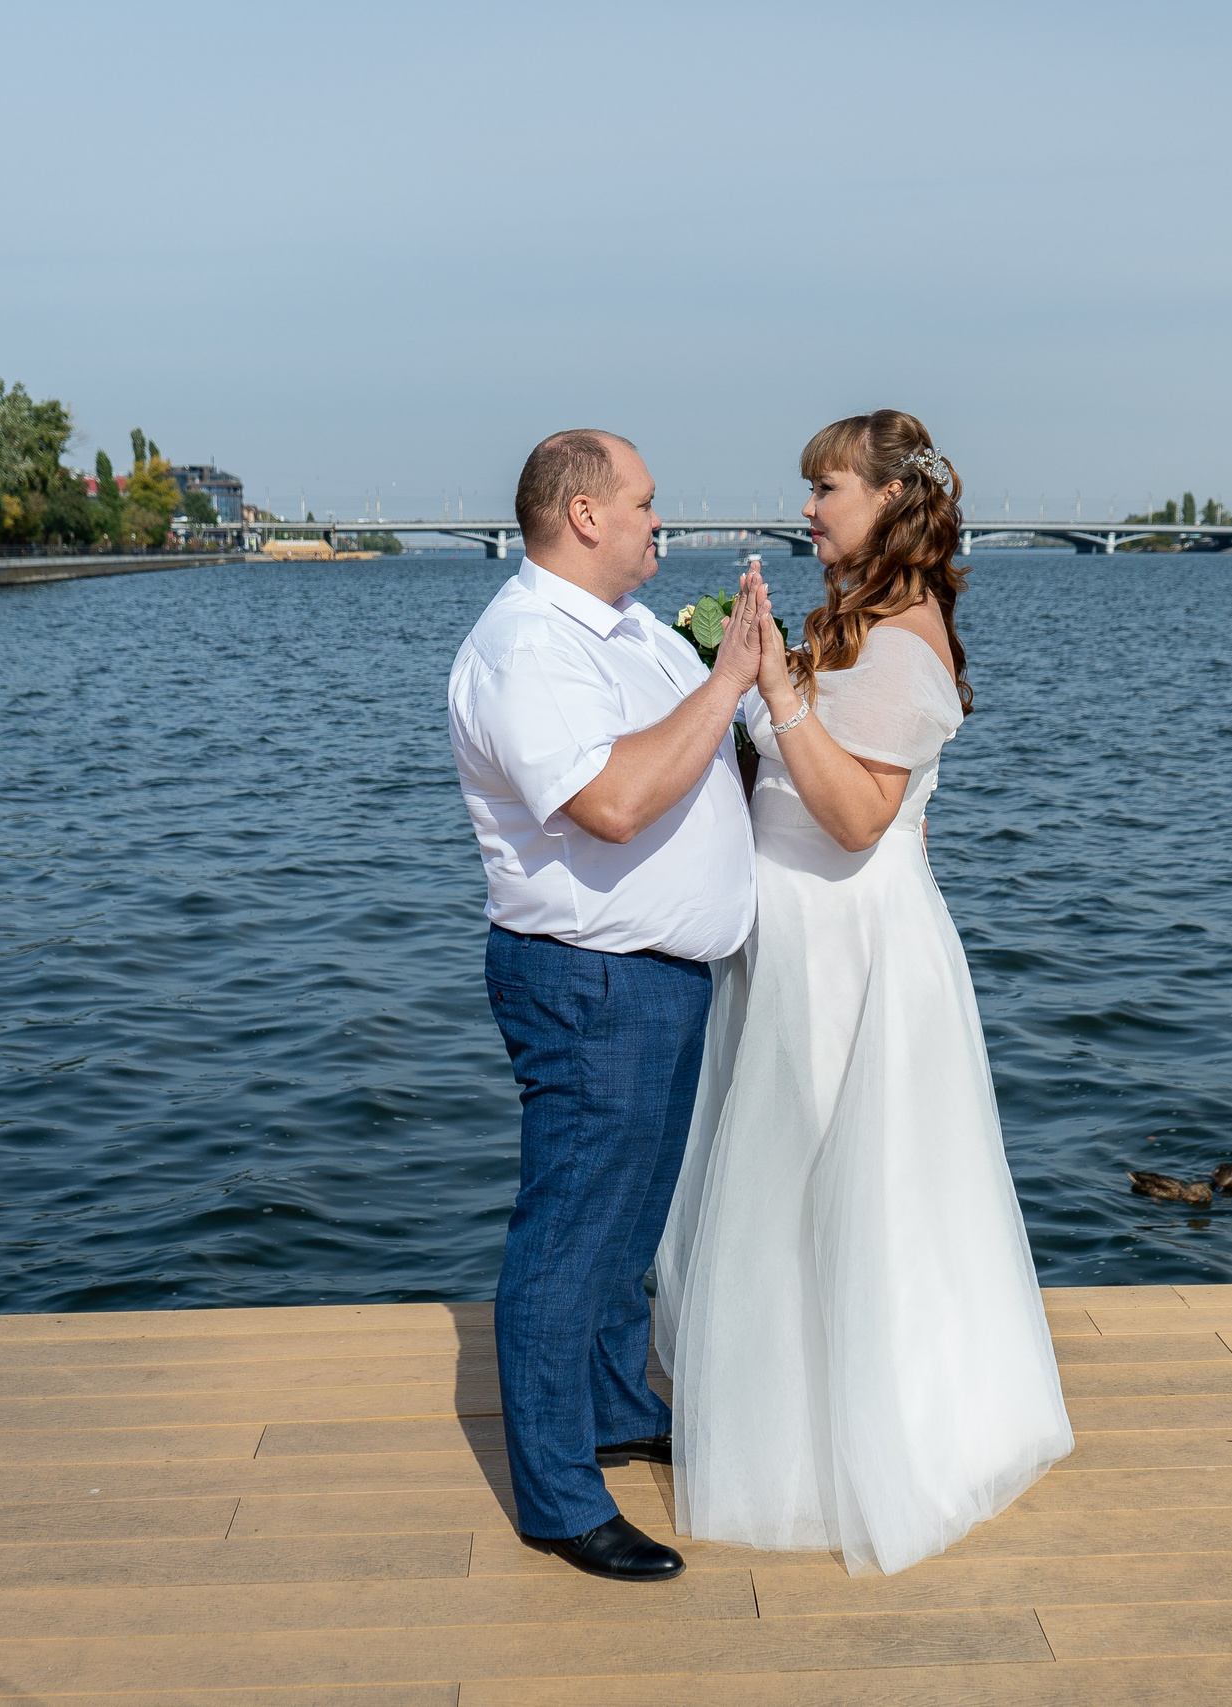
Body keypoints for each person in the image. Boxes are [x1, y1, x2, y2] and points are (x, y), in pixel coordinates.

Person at [654, 409, 1073, 1577]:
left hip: (848, 947)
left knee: (847, 1183)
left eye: (826, 487)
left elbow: (853, 821)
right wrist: (744, 689)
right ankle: (784, 1415)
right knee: (787, 1185)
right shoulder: (857, 622)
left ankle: (855, 1442)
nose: (807, 508)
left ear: (890, 497)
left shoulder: (900, 643)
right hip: (797, 938)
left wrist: (773, 686)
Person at [446, 428, 770, 1583]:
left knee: (626, 1226)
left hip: (660, 972)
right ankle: (557, 1497)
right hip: (589, 978)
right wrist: (728, 677)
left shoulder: (630, 629)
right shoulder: (526, 649)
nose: (657, 521)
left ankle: (614, 1405)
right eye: (643, 502)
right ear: (584, 514)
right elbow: (614, 802)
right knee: (570, 1234)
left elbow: (704, 765)